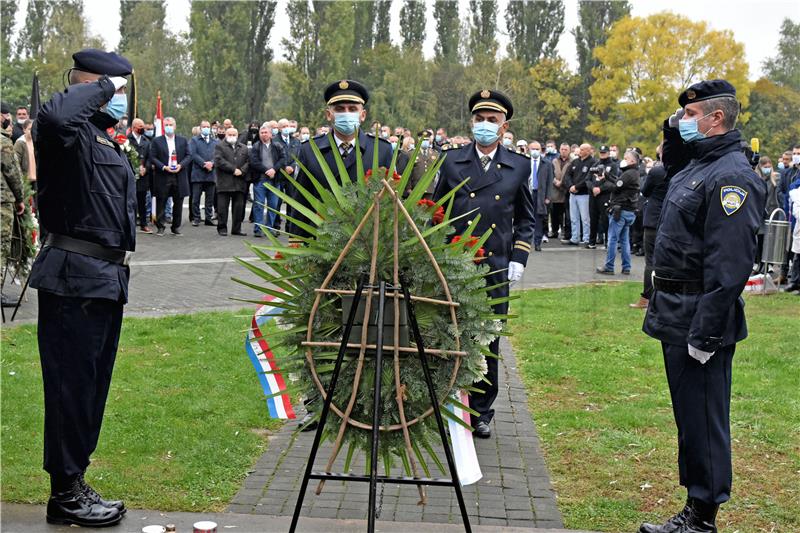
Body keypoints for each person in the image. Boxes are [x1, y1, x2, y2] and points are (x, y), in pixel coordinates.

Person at [640, 79, 766, 533]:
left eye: (692, 115)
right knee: (689, 417)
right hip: (675, 308)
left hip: (699, 315)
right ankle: (695, 507)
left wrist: (707, 331)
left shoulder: (731, 175)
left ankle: (702, 518)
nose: (683, 122)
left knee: (704, 420)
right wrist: (675, 126)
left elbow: (730, 265)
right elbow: (671, 157)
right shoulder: (698, 166)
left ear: (717, 118)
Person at [28, 49, 135, 527]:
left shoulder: (99, 139)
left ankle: (74, 480)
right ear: (92, 87)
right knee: (71, 388)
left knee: (90, 389)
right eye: (116, 90)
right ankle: (65, 494)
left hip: (103, 279)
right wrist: (103, 89)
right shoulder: (64, 132)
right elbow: (53, 115)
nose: (120, 100)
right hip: (74, 278)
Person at [289, 79, 393, 431]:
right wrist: (297, 248)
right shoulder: (309, 151)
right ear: (328, 113)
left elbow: (393, 206)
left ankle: (361, 402)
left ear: (363, 114)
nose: (346, 115)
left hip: (367, 254)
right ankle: (316, 403)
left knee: (365, 328)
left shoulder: (383, 151)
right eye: (340, 109)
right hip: (321, 253)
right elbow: (299, 204)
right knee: (318, 326)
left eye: (352, 109)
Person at [433, 89, 535, 439]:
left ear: (504, 126)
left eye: (492, 120)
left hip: (494, 266)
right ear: (471, 122)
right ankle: (445, 403)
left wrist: (519, 256)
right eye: (480, 119)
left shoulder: (519, 165)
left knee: (487, 341)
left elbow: (526, 218)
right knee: (447, 334)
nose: (485, 125)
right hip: (454, 264)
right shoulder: (450, 161)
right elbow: (435, 210)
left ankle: (481, 411)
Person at [632, 144, 668, 308]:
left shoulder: (657, 171)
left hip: (654, 220)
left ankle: (646, 297)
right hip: (670, 219)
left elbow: (645, 191)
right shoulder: (683, 171)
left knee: (651, 261)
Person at [595, 149, 640, 275]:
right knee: (624, 240)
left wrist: (604, 180)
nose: (623, 160)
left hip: (621, 210)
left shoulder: (629, 173)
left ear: (632, 160)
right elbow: (618, 182)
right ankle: (626, 267)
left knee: (613, 239)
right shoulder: (633, 172)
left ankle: (609, 266)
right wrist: (607, 176)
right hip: (628, 211)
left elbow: (616, 186)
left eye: (626, 158)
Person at [148, 117, 191, 236]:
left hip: (179, 175)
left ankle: (176, 227)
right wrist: (163, 167)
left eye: (171, 124)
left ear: (175, 126)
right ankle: (160, 227)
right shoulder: (157, 141)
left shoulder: (182, 140)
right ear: (163, 126)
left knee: (178, 202)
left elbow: (189, 155)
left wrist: (180, 165)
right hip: (163, 175)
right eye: (166, 125)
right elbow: (153, 157)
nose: (169, 127)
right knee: (161, 201)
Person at [2, 101, 27, 301]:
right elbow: (13, 174)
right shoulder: (3, 142)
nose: (7, 119)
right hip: (2, 203)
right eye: (5, 115)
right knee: (2, 247)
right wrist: (20, 199)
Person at [249, 122, 287, 237]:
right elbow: (254, 162)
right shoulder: (255, 147)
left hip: (274, 180)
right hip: (260, 180)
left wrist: (274, 170)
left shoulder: (277, 146)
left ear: (271, 135)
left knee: (273, 205)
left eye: (266, 132)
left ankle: (269, 228)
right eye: (262, 132)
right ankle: (258, 229)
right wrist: (267, 170)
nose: (263, 134)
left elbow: (283, 159)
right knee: (259, 205)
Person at [214, 127, 250, 236]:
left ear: (237, 135)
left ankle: (236, 229)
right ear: (225, 134)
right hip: (224, 182)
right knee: (222, 208)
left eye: (234, 134)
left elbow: (248, 161)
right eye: (230, 134)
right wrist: (234, 170)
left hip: (239, 182)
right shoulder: (219, 146)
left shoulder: (244, 148)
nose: (232, 136)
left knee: (238, 207)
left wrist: (242, 171)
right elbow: (219, 161)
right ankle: (222, 228)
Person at [563, 143, 596, 245]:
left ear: (588, 151)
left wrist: (577, 187)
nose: (579, 152)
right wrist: (570, 186)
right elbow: (567, 175)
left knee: (585, 218)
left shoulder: (593, 162)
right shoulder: (575, 162)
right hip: (573, 194)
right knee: (574, 217)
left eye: (582, 150)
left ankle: (586, 238)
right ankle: (575, 237)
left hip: (584, 194)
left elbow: (588, 178)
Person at [587, 145, 619, 249]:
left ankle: (607, 242)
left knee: (605, 219)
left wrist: (600, 189)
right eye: (601, 152)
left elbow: (613, 181)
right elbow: (587, 179)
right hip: (593, 196)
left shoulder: (613, 165)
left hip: (605, 196)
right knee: (593, 219)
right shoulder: (595, 164)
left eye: (604, 153)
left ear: (608, 153)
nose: (602, 154)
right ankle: (592, 242)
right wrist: (592, 188)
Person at [189, 120, 218, 227]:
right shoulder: (194, 140)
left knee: (209, 199)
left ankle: (208, 218)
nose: (206, 128)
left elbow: (217, 155)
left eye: (208, 127)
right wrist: (204, 164)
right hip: (198, 173)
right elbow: (193, 154)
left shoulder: (215, 141)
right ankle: (196, 218)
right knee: (196, 198)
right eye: (204, 127)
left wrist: (212, 163)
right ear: (200, 128)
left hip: (211, 174)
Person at [126, 118, 152, 233]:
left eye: (143, 127)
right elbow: (124, 156)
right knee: (130, 201)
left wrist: (145, 168)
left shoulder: (146, 141)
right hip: (131, 175)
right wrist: (135, 168)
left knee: (142, 201)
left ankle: (143, 224)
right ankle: (129, 223)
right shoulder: (126, 140)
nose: (142, 129)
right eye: (140, 127)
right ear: (134, 127)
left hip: (143, 176)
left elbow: (150, 157)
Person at [528, 140, 553, 251]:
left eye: (537, 149)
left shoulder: (546, 163)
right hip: (527, 193)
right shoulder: (524, 161)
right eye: (533, 149)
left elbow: (550, 181)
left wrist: (548, 197)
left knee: (538, 219)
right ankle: (525, 241)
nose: (535, 151)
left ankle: (537, 242)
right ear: (529, 149)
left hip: (540, 194)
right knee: (526, 218)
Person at [404, 130, 438, 199]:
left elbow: (437, 173)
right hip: (415, 189)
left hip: (430, 189)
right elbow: (408, 173)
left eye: (427, 139)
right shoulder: (411, 154)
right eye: (423, 139)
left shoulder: (435, 154)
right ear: (419, 139)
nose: (425, 141)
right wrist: (408, 188)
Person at [550, 143, 571, 240]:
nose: (563, 151)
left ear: (569, 150)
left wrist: (562, 182)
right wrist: (555, 181)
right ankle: (554, 231)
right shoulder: (554, 161)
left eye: (566, 149)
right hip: (555, 191)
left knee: (566, 214)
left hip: (566, 191)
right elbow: (550, 173)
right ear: (559, 150)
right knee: (554, 213)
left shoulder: (572, 161)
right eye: (562, 149)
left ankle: (565, 232)